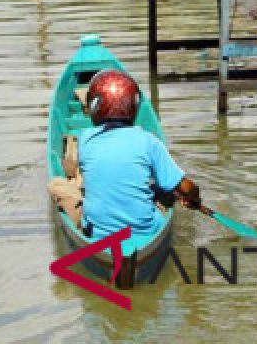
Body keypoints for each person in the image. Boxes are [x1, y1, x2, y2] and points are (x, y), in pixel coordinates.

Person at [49, 69, 201, 240]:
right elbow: (187, 188)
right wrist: (193, 198)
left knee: (57, 184)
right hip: (146, 231)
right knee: (165, 189)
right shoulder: (148, 141)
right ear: (133, 106)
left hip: (99, 234)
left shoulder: (84, 141)